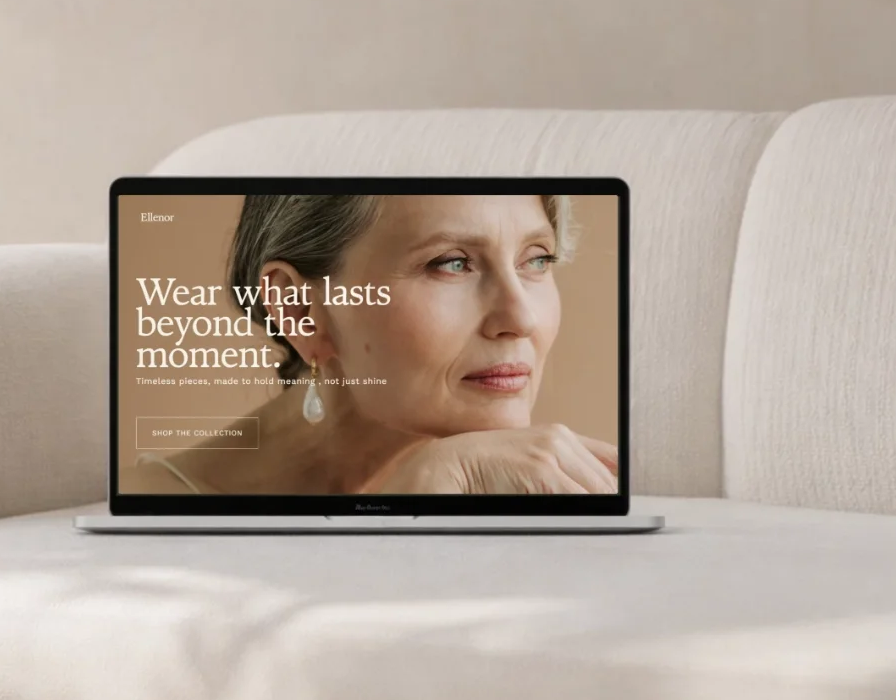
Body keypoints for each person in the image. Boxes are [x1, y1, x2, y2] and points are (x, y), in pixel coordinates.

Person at [122, 193, 618, 495]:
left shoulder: (530, 483)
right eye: (451, 263)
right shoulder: (148, 525)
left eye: (537, 260)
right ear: (299, 309)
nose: (521, 318)